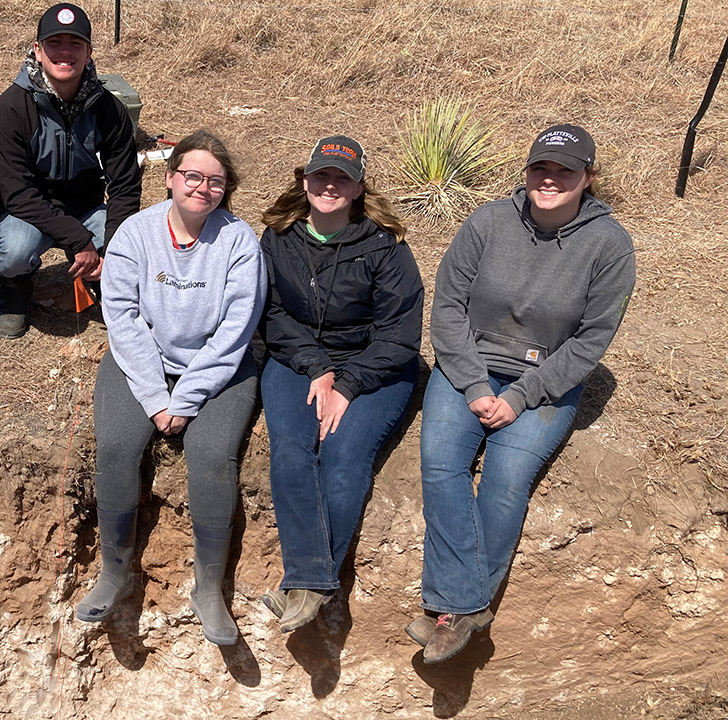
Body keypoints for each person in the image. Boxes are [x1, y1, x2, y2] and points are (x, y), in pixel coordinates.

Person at [411, 124, 635, 662]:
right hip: (469, 366)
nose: (550, 179)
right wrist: (471, 383)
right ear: (527, 171)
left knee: (506, 481)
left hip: (546, 380)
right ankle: (465, 608)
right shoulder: (487, 222)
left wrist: (520, 396)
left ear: (587, 177)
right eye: (541, 168)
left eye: (565, 170)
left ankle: (451, 611)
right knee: (442, 462)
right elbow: (447, 310)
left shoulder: (610, 245)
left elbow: (589, 343)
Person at [75, 130, 265, 645]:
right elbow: (122, 316)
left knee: (211, 452)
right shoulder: (135, 234)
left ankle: (209, 588)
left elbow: (236, 329)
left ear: (226, 189)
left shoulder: (239, 242)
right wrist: (157, 398)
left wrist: (187, 399)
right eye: (192, 176)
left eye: (215, 181)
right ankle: (113, 572)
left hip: (219, 367)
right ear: (170, 178)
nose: (202, 188)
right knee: (117, 445)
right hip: (144, 360)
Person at [255, 136, 424, 633]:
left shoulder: (385, 246)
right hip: (296, 360)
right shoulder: (277, 237)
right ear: (304, 180)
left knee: (343, 454)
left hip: (376, 369)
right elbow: (270, 313)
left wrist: (347, 384)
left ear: (357, 187)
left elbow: (400, 336)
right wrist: (316, 367)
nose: (329, 185)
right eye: (320, 175)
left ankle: (305, 585)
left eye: (342, 178)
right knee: (290, 449)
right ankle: (315, 583)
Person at [0, 2, 143, 339]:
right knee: (15, 251)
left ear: (89, 53)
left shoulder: (109, 109)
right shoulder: (11, 108)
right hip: (28, 212)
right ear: (37, 50)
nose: (65, 53)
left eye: (75, 44)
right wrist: (79, 239)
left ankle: (102, 279)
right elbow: (16, 194)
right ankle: (15, 288)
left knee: (129, 247)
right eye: (55, 43)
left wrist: (111, 249)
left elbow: (125, 186)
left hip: (86, 208)